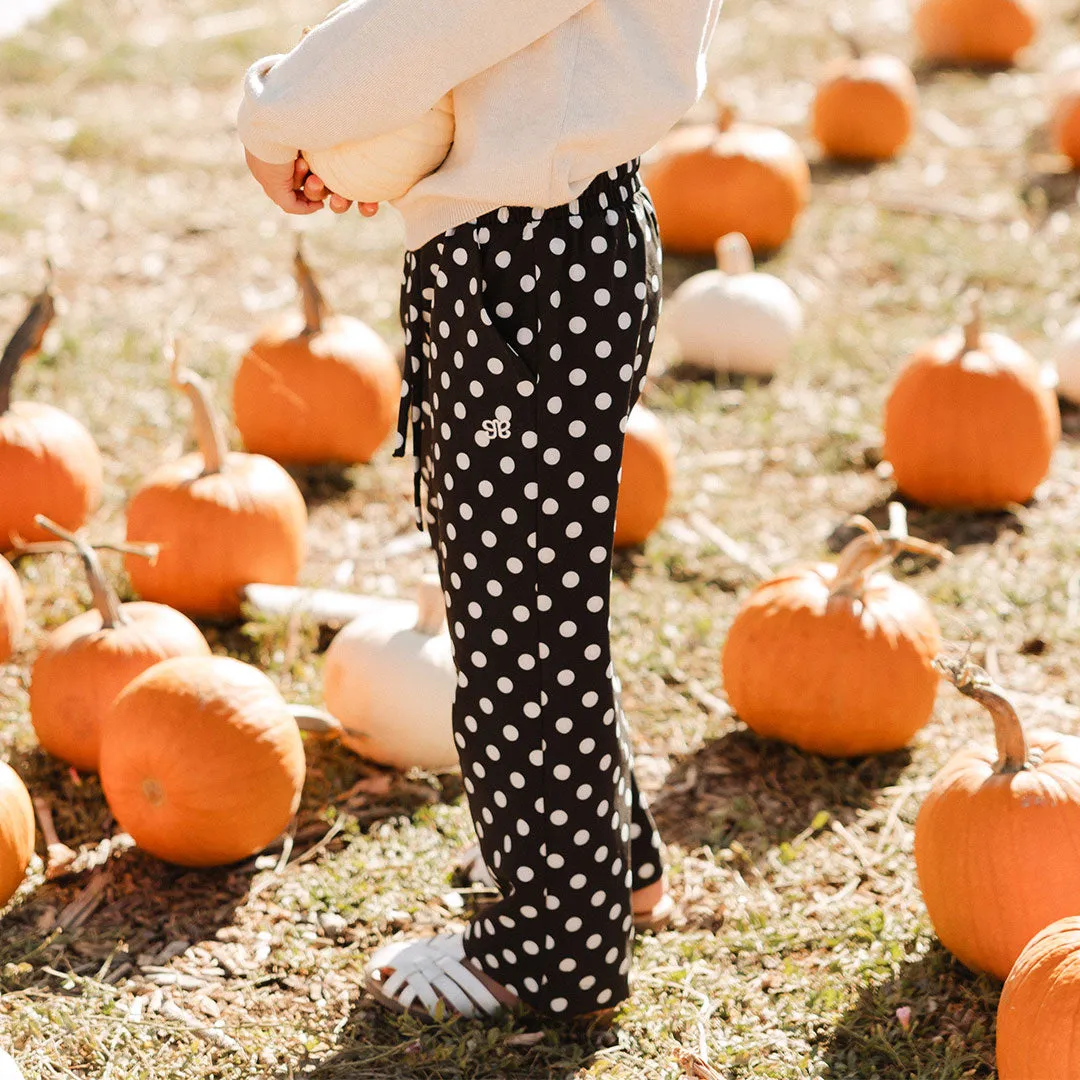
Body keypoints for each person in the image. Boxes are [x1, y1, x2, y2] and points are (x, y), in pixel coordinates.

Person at [238, 0, 723, 1025]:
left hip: (526, 262)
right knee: (527, 596)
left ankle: (555, 948)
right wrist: (368, 128)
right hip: (560, 233)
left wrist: (288, 110)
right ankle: (602, 866)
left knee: (517, 621)